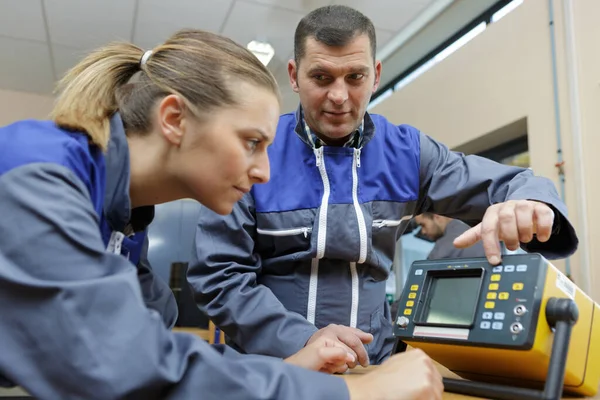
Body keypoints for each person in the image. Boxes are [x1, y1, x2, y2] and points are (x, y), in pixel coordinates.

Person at [0, 29, 444, 400]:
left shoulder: (123, 221)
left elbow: (160, 353)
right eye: (252, 142)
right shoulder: (37, 175)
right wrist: (356, 393)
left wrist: (289, 369)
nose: (264, 171)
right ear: (174, 118)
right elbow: (118, 368)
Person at [188, 4, 578, 373]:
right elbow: (219, 274)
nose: (339, 97)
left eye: (355, 77)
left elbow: (509, 183)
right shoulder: (257, 150)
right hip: (274, 369)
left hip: (374, 369)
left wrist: (530, 203)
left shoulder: (408, 153)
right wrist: (304, 340)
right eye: (321, 77)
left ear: (375, 74)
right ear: (294, 75)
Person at [414, 213, 487, 260]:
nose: (423, 231)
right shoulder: (476, 228)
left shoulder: (443, 247)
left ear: (437, 217)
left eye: (423, 225)